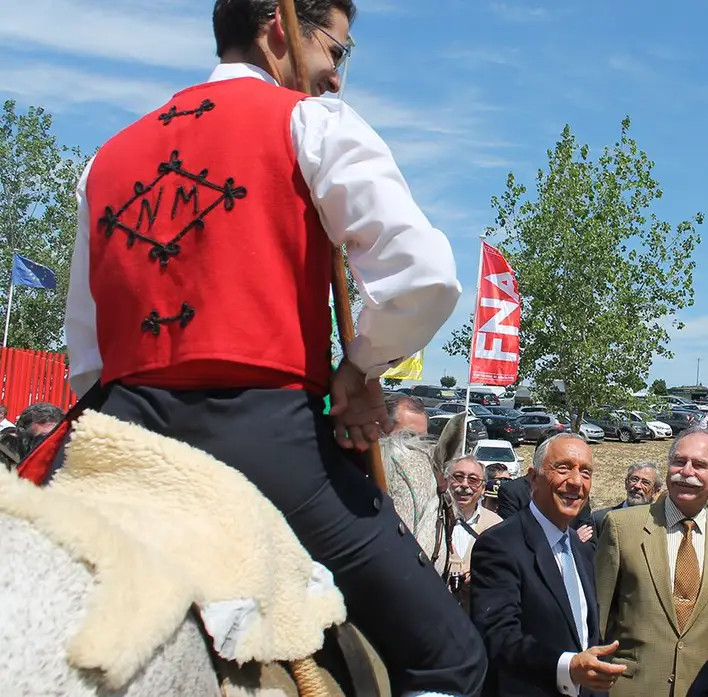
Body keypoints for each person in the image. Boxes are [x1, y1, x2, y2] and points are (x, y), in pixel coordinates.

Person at [55, 1, 486, 694]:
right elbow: (424, 274)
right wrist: (360, 366)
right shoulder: (309, 122)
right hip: (265, 446)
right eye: (335, 52)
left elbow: (86, 359)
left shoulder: (105, 159)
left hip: (118, 440)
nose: (337, 78)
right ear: (278, 29)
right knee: (451, 656)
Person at [594, 428, 708, 697]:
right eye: (679, 461)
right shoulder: (622, 527)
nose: (686, 471)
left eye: (699, 465)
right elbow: (598, 619)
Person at [469, 433, 627, 697]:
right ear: (533, 477)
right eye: (563, 468)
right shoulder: (499, 545)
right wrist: (567, 667)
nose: (576, 482)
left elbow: (586, 636)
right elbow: (498, 637)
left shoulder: (581, 548)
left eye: (586, 472)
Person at [445, 454, 502, 612]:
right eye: (458, 477)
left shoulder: (497, 526)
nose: (464, 485)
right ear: (447, 481)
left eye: (473, 480)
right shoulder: (430, 523)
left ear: (483, 488)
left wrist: (480, 577)